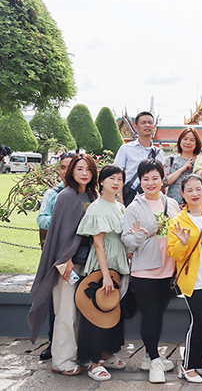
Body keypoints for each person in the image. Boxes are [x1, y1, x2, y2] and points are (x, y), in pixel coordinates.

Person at [28, 153, 98, 376]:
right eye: (79, 169)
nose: (84, 173)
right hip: (67, 263)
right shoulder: (66, 195)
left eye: (88, 169)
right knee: (65, 312)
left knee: (78, 312)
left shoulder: (89, 194)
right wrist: (65, 259)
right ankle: (61, 361)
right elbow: (59, 232)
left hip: (83, 262)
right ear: (71, 172)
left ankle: (74, 356)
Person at [121, 159, 181, 383]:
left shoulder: (171, 204)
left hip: (168, 268)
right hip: (145, 270)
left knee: (159, 312)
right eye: (145, 178)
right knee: (150, 314)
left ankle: (149, 355)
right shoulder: (134, 207)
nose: (150, 182)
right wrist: (138, 237)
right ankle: (155, 360)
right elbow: (126, 240)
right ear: (140, 180)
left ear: (162, 179)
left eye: (155, 178)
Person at [75, 164, 129, 382]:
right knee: (96, 311)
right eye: (111, 178)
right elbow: (98, 244)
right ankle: (94, 361)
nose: (116, 182)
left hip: (118, 264)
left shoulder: (120, 207)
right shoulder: (96, 207)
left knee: (113, 309)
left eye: (119, 179)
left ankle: (107, 352)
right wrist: (105, 274)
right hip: (102, 265)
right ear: (101, 181)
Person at [167, 174, 202, 383]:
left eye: (198, 188)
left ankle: (199, 361)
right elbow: (173, 253)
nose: (195, 193)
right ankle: (187, 365)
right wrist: (182, 242)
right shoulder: (178, 221)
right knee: (199, 321)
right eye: (189, 190)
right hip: (192, 281)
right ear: (182, 194)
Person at [35, 151, 76, 361]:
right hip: (57, 255)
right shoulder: (53, 194)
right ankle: (54, 343)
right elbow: (41, 219)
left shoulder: (87, 193)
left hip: (80, 255)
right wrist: (62, 221)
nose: (66, 171)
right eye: (62, 167)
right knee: (56, 300)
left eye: (71, 167)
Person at [114, 111, 165, 206]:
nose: (147, 125)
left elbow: (161, 179)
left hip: (151, 197)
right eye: (143, 122)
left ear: (154, 127)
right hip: (129, 196)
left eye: (150, 122)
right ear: (136, 127)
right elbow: (117, 175)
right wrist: (120, 201)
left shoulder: (158, 153)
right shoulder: (126, 149)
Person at [164, 127, 201, 204]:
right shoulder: (171, 160)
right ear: (180, 141)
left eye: (192, 140)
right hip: (172, 204)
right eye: (185, 139)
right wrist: (181, 169)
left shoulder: (199, 161)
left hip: (192, 204)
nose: (188, 142)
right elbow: (164, 182)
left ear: (196, 144)